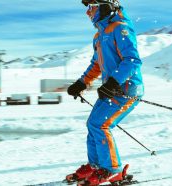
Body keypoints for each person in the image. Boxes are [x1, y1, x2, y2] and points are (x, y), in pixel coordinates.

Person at [65, 0, 144, 185]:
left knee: (100, 125)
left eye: (91, 6)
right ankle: (95, 166)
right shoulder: (99, 35)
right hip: (112, 89)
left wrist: (114, 81)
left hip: (126, 89)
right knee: (93, 124)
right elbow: (96, 64)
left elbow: (132, 60)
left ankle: (112, 170)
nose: (88, 12)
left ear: (105, 6)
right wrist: (81, 83)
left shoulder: (121, 28)